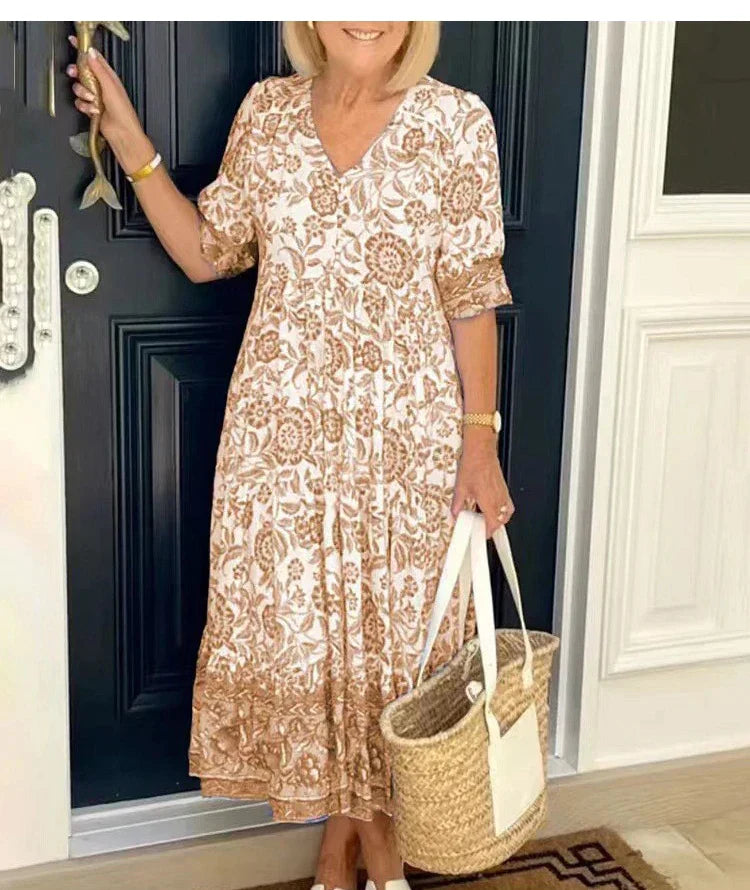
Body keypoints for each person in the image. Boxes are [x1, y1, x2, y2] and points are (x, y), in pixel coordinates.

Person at [67, 20, 516, 890]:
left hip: (405, 445)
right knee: (312, 647)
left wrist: (481, 440)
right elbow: (209, 253)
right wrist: (126, 138)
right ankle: (348, 844)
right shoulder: (267, 112)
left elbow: (471, 295)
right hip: (282, 444)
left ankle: (368, 846)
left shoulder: (457, 121)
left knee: (392, 652)